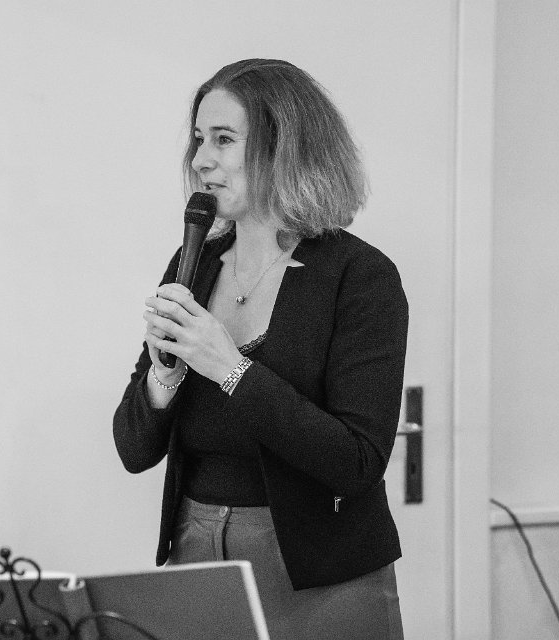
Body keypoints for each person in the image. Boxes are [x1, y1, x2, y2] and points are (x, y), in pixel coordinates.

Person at [112, 59, 408, 640]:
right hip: (197, 550)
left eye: (224, 139)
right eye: (199, 138)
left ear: (285, 150)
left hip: (322, 574)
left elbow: (356, 463)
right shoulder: (192, 263)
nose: (200, 159)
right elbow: (134, 449)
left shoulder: (360, 276)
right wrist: (164, 377)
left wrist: (229, 368)